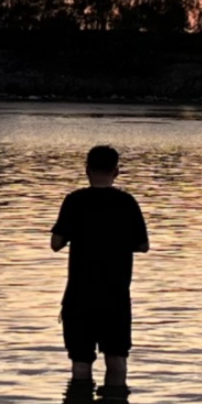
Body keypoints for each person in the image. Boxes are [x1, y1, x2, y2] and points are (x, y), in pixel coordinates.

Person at [49, 144, 150, 387]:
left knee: (80, 362)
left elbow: (56, 243)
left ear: (87, 170)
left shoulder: (74, 201)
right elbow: (143, 245)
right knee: (117, 358)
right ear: (117, 171)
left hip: (79, 295)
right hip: (115, 295)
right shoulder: (127, 202)